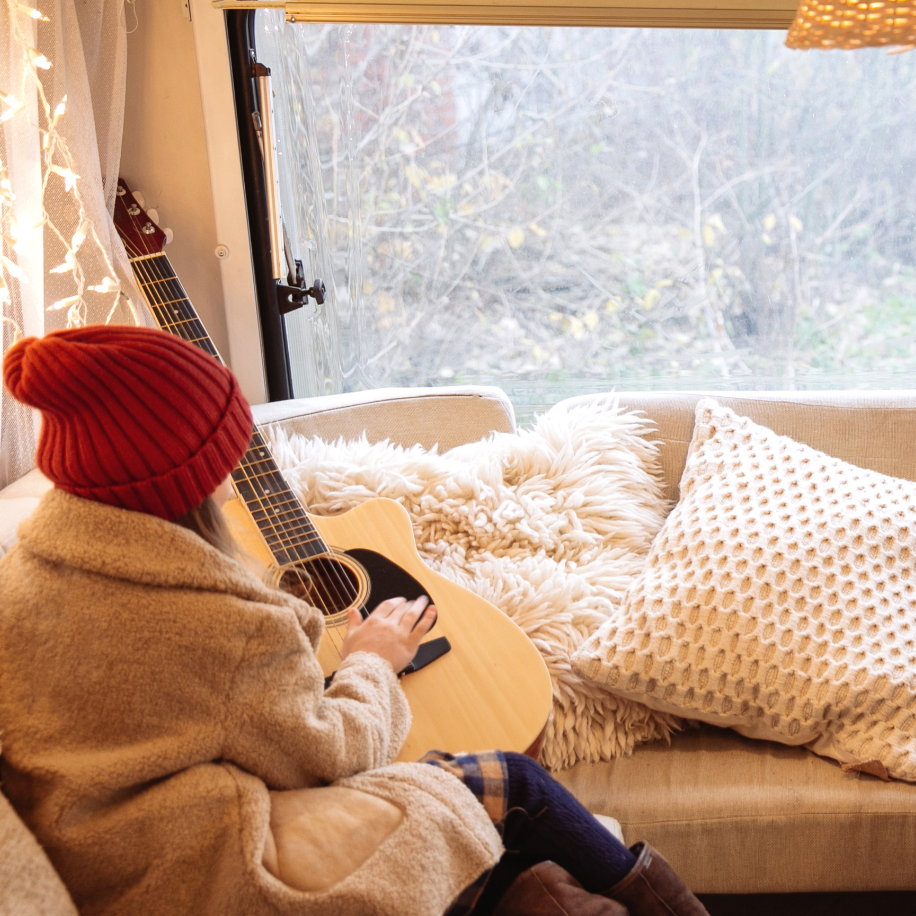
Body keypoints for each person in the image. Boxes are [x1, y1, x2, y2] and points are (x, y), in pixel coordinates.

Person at [0, 325, 707, 916]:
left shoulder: (22, 578)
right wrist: (372, 658)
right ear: (193, 474)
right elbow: (332, 752)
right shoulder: (221, 624)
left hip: (100, 852)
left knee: (503, 848)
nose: (232, 469)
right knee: (511, 787)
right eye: (226, 452)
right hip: (207, 864)